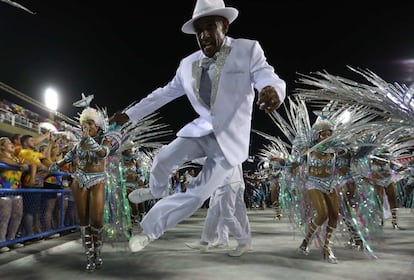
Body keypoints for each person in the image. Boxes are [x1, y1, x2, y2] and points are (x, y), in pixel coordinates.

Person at [109, 0, 286, 253]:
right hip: (202, 130)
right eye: (199, 30)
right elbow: (162, 94)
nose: (203, 35)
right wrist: (129, 115)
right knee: (163, 158)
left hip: (229, 143)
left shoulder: (247, 50)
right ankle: (155, 189)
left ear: (224, 26)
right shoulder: (187, 64)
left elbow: (266, 75)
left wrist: (273, 90)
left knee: (197, 193)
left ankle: (149, 231)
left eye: (210, 27)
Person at [49, 105, 112, 271]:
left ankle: (98, 250)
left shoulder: (105, 140)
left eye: (91, 123)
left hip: (97, 180)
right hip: (79, 179)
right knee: (83, 220)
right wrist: (56, 165)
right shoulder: (78, 145)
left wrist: (87, 140)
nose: (87, 126)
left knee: (97, 218)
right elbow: (68, 158)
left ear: (97, 126)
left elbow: (102, 153)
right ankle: (89, 255)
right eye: (85, 123)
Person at [294, 118, 340, 264]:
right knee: (322, 214)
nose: (326, 137)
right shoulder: (307, 150)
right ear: (316, 135)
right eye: (323, 134)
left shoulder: (335, 150)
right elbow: (292, 163)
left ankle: (327, 247)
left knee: (334, 215)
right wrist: (281, 160)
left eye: (329, 134)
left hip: (330, 183)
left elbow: (352, 159)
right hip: (313, 183)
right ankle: (306, 241)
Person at [185, 164, 251, 257]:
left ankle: (243, 243)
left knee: (228, 215)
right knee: (212, 213)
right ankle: (204, 243)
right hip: (219, 182)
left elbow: (214, 158)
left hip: (229, 182)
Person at [0, 137, 28, 252]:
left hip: (16, 191)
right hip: (4, 191)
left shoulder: (16, 159)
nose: (12, 144)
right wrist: (20, 165)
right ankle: (2, 241)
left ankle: (11, 239)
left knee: (17, 215)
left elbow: (26, 164)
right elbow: (5, 160)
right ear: (2, 146)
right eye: (9, 143)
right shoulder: (2, 156)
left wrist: (22, 164)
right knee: (4, 217)